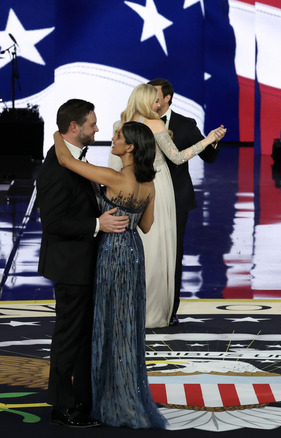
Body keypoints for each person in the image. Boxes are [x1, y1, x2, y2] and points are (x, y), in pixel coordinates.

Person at [53, 122, 166, 428]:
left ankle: (107, 397)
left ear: (130, 147)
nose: (113, 139)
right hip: (133, 252)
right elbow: (145, 226)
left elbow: (65, 160)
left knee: (107, 323)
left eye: (118, 137)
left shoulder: (114, 177)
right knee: (126, 326)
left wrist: (55, 133)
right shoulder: (149, 183)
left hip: (111, 253)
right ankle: (127, 393)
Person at [38, 99, 128, 428]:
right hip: (70, 266)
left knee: (82, 336)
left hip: (83, 263)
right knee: (69, 336)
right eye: (92, 124)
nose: (98, 129)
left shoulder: (73, 159)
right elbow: (53, 221)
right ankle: (62, 407)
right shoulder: (56, 168)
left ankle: (81, 399)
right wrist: (96, 225)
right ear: (74, 128)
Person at [111, 83, 226, 328]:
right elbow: (177, 157)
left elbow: (114, 166)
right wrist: (208, 140)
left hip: (129, 193)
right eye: (154, 100)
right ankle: (153, 311)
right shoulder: (156, 124)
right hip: (159, 191)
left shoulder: (121, 126)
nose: (158, 105)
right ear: (145, 100)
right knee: (157, 252)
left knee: (131, 250)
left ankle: (129, 310)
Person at [147, 78, 221, 326]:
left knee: (172, 254)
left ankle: (169, 309)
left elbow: (209, 156)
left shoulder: (185, 124)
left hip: (177, 199)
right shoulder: (141, 122)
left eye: (155, 95)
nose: (151, 100)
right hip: (146, 198)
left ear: (167, 98)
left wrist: (213, 140)